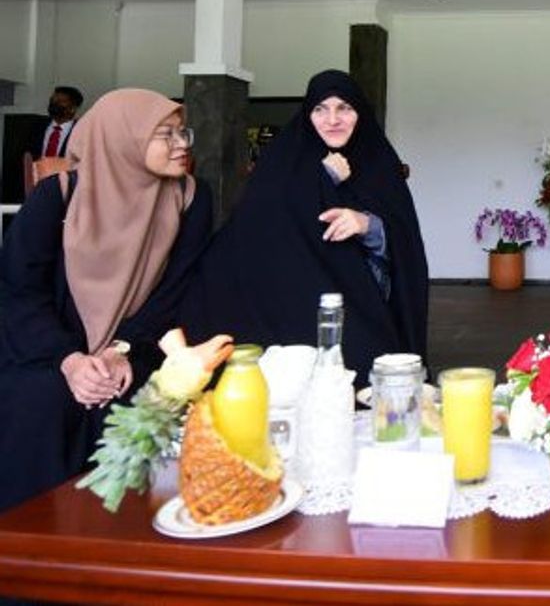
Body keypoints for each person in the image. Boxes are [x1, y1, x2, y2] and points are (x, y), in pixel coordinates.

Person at [0, 89, 212, 511]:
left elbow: (178, 290)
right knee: (41, 402)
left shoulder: (189, 198)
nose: (181, 145)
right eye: (165, 135)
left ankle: (131, 549)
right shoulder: (57, 197)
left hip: (139, 345)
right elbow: (19, 291)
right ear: (124, 139)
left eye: (181, 133)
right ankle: (29, 550)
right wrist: (70, 359)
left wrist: (122, 352)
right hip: (47, 349)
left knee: (148, 405)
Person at [182, 70, 428, 386]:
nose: (332, 119)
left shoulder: (378, 162)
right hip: (293, 295)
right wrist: (321, 179)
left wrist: (366, 223)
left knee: (370, 371)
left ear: (359, 113)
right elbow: (257, 221)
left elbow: (404, 235)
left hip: (358, 298)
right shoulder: (285, 157)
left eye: (344, 108)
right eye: (320, 109)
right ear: (307, 114)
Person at [24, 86, 84, 160]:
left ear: (73, 108)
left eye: (60, 101)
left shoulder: (83, 133)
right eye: (52, 100)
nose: (54, 104)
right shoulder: (36, 127)